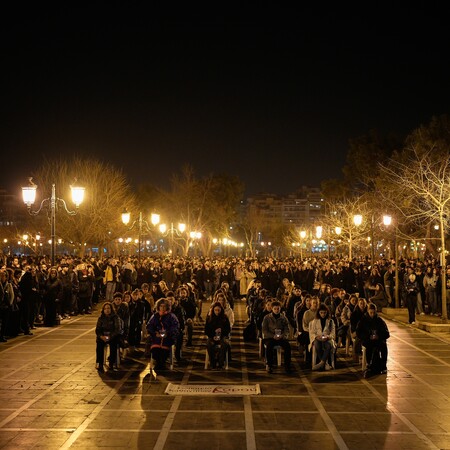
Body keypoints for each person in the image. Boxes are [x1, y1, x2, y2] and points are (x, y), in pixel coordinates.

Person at [356, 303, 390, 378]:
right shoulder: (363, 320)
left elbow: (386, 333)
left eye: (373, 312)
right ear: (368, 311)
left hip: (378, 340)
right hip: (368, 340)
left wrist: (378, 336)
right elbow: (358, 332)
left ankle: (383, 366)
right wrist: (368, 336)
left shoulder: (379, 320)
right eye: (370, 312)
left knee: (383, 346)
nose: (372, 314)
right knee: (369, 347)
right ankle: (369, 364)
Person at [146, 298, 180, 371]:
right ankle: (159, 364)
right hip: (156, 338)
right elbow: (149, 326)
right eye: (161, 306)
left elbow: (175, 326)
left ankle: (161, 365)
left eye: (164, 306)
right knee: (155, 350)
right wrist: (155, 333)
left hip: (168, 338)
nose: (163, 308)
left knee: (164, 352)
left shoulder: (171, 316)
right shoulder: (155, 316)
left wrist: (168, 333)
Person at [261, 300, 293, 374]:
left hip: (280, 337)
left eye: (278, 309)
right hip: (270, 337)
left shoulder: (283, 318)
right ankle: (269, 365)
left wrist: (283, 335)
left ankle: (287, 365)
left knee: (287, 346)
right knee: (269, 346)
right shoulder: (267, 318)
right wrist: (272, 336)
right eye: (275, 309)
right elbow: (264, 330)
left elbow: (287, 329)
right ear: (272, 309)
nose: (276, 310)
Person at [95, 302, 122, 372]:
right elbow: (98, 329)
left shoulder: (115, 317)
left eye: (108, 308)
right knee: (99, 345)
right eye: (105, 308)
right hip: (103, 336)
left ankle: (111, 363)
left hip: (112, 336)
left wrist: (110, 337)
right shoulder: (101, 318)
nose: (107, 310)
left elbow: (117, 329)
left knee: (113, 345)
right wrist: (101, 336)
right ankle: (100, 363)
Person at [204, 301, 231, 369]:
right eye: (215, 310)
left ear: (221, 310)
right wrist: (213, 335)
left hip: (222, 336)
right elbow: (206, 330)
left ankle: (220, 362)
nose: (217, 312)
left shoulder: (224, 318)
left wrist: (221, 333)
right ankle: (213, 363)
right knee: (209, 345)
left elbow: (228, 329)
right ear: (213, 310)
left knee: (224, 344)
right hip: (212, 336)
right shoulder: (209, 318)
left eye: (218, 310)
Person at [309, 303, 336, 371]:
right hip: (318, 338)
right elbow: (312, 332)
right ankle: (325, 363)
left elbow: (333, 333)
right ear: (319, 313)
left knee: (328, 346)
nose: (323, 314)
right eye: (321, 313)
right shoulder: (315, 321)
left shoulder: (330, 321)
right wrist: (317, 337)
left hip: (327, 339)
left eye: (324, 313)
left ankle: (321, 364)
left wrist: (328, 337)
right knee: (317, 344)